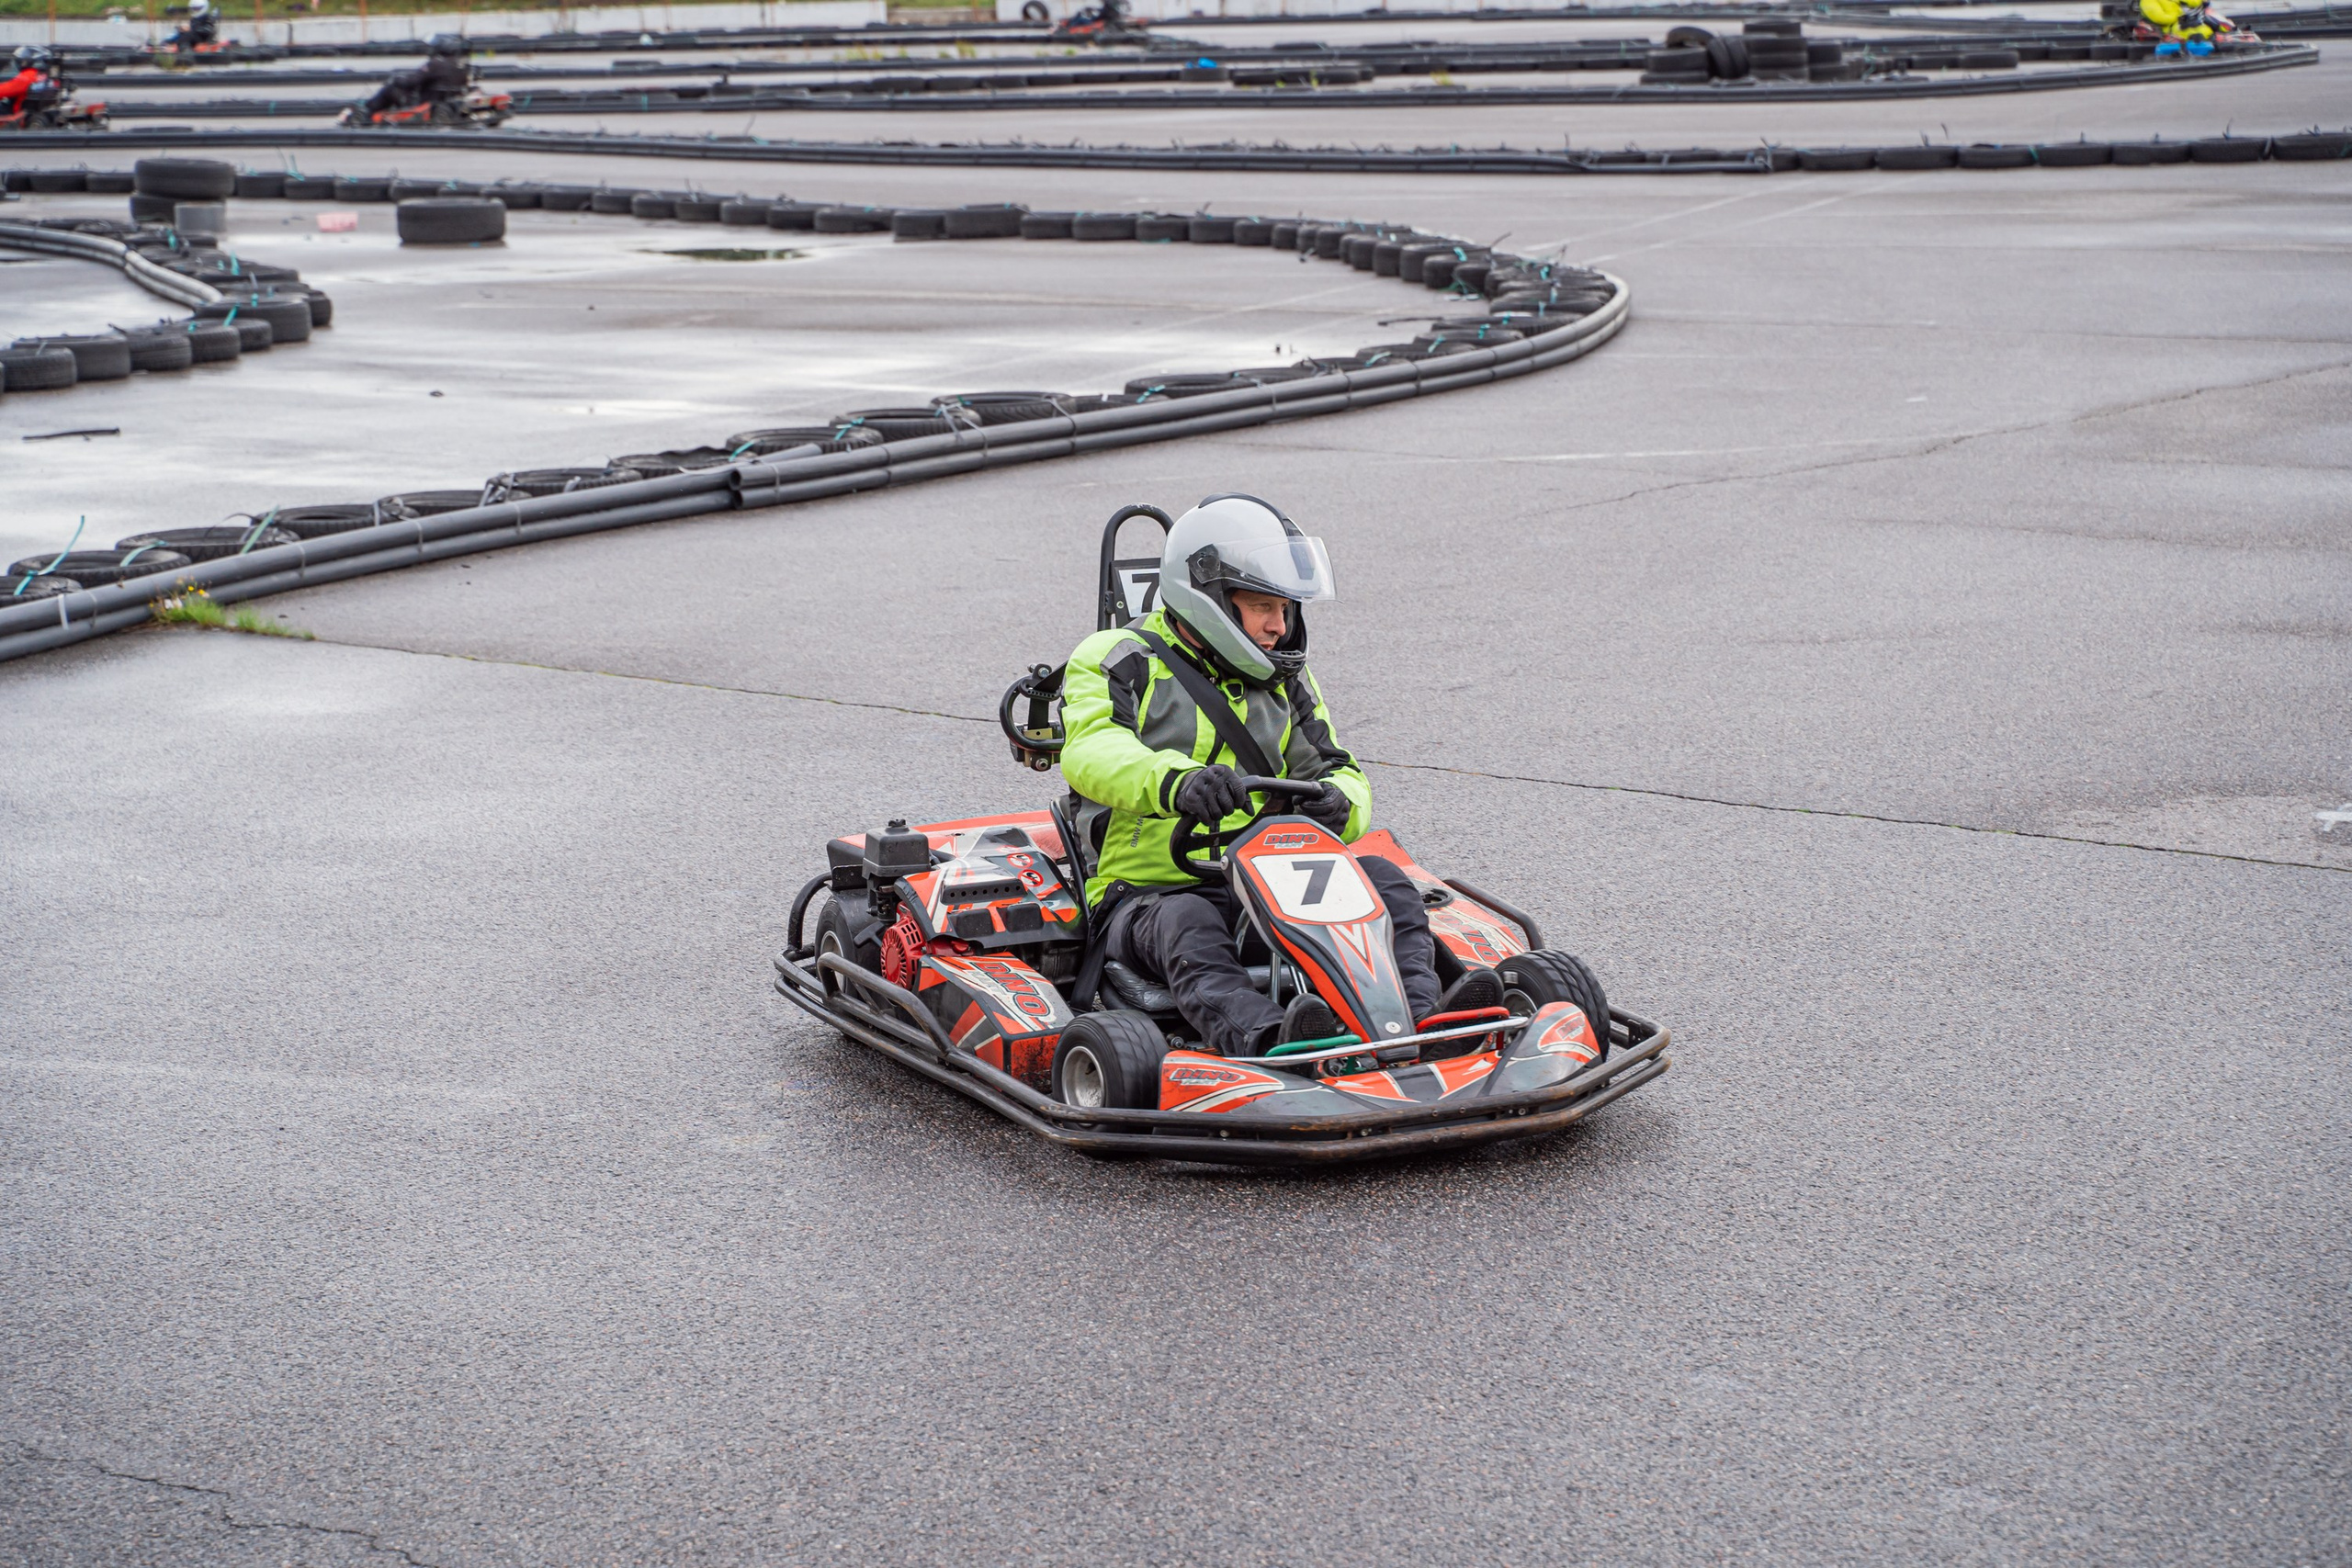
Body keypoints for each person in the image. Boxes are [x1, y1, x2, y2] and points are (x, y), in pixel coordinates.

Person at [1058, 494, 1503, 1058]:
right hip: (1149, 892)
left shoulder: (1285, 677)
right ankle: (1270, 1038)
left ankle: (1422, 1021)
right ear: (1208, 600)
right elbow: (1092, 752)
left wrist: (1340, 804)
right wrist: (1179, 783)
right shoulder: (1116, 657)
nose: (1279, 625)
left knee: (1386, 882)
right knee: (1190, 919)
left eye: (1287, 608)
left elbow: (1340, 769)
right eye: (1263, 605)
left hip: (1269, 877)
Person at [2138, 0, 2222, 53]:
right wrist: (2180, 14)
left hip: (2184, 22)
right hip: (2168, 29)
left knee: (2203, 28)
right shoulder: (2147, 2)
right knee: (2186, 31)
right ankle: (2196, 42)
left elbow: (2195, 2)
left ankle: (2211, 40)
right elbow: (2161, 18)